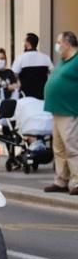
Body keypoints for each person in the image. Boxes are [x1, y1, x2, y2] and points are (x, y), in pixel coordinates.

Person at [42, 31, 78, 196]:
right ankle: (61, 180)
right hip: (57, 110)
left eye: (59, 42)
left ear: (67, 43)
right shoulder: (63, 60)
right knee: (59, 148)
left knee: (72, 148)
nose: (57, 46)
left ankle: (76, 181)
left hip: (69, 110)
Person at [12, 32, 55, 99]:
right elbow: (53, 73)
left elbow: (14, 74)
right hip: (42, 96)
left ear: (27, 43)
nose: (23, 43)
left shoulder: (20, 58)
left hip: (25, 97)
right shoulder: (45, 57)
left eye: (24, 41)